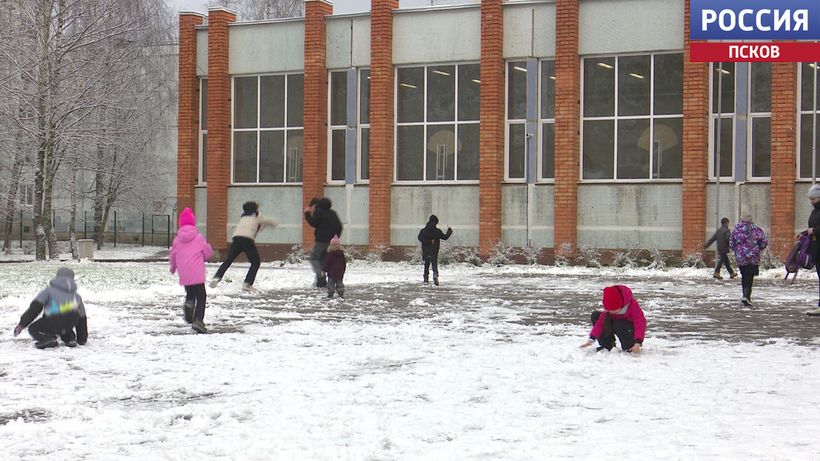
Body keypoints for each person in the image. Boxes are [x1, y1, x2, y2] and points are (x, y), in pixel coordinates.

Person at [210, 201, 277, 292]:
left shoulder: (243, 217)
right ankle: (247, 284)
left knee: (228, 260)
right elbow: (268, 221)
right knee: (255, 262)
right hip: (247, 240)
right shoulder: (257, 216)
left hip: (236, 238)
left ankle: (216, 278)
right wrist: (275, 223)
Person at [13, 267, 88, 349]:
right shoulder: (76, 296)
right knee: (65, 328)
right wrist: (82, 339)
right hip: (69, 322)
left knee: (34, 328)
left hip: (52, 319)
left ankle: (48, 338)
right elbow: (82, 318)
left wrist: (22, 324)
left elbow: (35, 308)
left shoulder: (48, 291)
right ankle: (70, 339)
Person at [170, 207, 213, 333]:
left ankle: (189, 304)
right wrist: (206, 254)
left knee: (190, 294)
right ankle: (198, 320)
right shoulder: (198, 237)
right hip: (197, 273)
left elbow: (173, 255)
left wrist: (173, 267)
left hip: (184, 273)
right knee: (201, 296)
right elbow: (208, 252)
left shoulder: (177, 240)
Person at [579, 285, 645, 353]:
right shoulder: (608, 311)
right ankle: (607, 345)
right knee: (596, 315)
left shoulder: (632, 305)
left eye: (614, 310)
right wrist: (591, 339)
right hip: (615, 325)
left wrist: (637, 343)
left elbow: (640, 323)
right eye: (609, 310)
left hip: (628, 330)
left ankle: (630, 347)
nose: (611, 312)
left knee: (619, 323)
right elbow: (600, 324)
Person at [729, 208, 768, 307]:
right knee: (749, 276)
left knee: (744, 274)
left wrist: (738, 250)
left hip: (741, 257)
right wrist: (757, 248)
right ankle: (747, 296)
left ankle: (745, 295)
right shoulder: (756, 230)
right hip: (753, 257)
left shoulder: (736, 230)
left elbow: (731, 243)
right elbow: (764, 242)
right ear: (751, 219)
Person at [304, 197, 343, 288]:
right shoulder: (333, 213)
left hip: (321, 241)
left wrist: (307, 214)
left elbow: (313, 223)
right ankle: (326, 281)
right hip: (331, 243)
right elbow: (340, 226)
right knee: (324, 260)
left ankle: (321, 276)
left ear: (315, 206)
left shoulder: (319, 212)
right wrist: (335, 238)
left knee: (314, 258)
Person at [417, 215, 452, 285]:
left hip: (426, 250)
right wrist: (449, 231)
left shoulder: (423, 231)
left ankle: (426, 278)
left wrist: (427, 242)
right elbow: (445, 237)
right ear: (436, 222)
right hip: (434, 250)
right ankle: (435, 274)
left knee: (426, 264)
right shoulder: (437, 231)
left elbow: (419, 238)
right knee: (434, 263)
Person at [801, 184, 820, 315]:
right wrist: (804, 233)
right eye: (810, 199)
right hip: (817, 250)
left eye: (813, 199)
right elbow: (812, 228)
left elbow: (815, 229)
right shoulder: (815, 211)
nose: (811, 202)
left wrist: (814, 231)